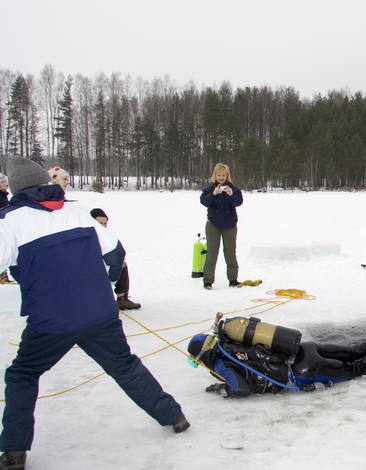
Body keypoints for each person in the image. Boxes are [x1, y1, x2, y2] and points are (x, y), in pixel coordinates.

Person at [0, 157, 188, 470]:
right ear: (45, 183)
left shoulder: (10, 220)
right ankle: (174, 416)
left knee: (22, 374)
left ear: (16, 189)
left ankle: (14, 451)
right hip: (100, 312)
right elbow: (115, 251)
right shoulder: (75, 209)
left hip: (51, 321)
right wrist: (109, 285)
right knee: (125, 365)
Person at [188, 316, 366, 398]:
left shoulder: (221, 362)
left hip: (303, 370)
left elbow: (241, 388)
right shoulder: (228, 339)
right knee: (356, 349)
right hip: (305, 348)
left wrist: (223, 387)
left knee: (356, 367)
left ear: (202, 357)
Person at [200, 163, 243, 290]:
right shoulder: (209, 190)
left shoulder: (233, 189)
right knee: (212, 253)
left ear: (227, 176)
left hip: (230, 225)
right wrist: (214, 194)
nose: (221, 178)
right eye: (219, 175)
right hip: (213, 224)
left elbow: (238, 202)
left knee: (230, 253)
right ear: (215, 176)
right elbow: (204, 202)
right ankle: (208, 281)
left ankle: (233, 279)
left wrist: (231, 195)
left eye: (223, 175)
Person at [90, 208, 141, 310]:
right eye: (100, 223)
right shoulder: (86, 235)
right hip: (89, 270)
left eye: (105, 224)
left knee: (121, 263)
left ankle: (122, 298)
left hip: (104, 266)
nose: (103, 226)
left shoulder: (107, 236)